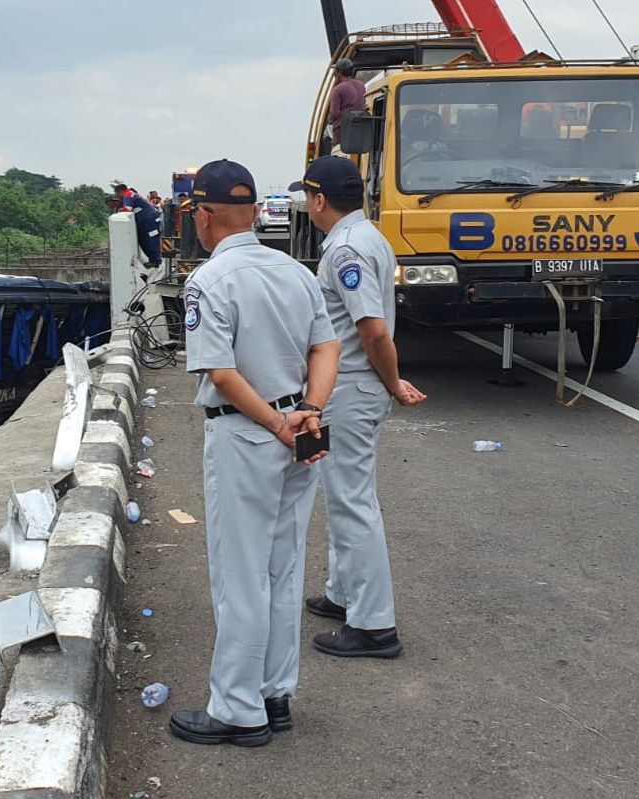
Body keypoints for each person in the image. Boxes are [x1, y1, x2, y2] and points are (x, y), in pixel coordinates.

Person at [170, 159, 339, 747]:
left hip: (249, 433)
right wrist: (308, 411)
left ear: (206, 215)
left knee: (240, 573)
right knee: (283, 568)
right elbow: (326, 347)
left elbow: (221, 372)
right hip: (302, 426)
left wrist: (274, 423)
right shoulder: (295, 271)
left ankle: (237, 709)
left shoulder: (209, 282)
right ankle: (274, 693)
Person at [287, 156, 427, 659]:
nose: (307, 205)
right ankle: (344, 594)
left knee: (351, 502)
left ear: (319, 199)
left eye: (307, 197)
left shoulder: (344, 249)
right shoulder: (368, 237)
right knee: (344, 494)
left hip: (351, 386)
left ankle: (373, 625)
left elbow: (372, 329)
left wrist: (391, 381)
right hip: (356, 385)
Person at [114, 183, 163, 270]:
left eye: (116, 194)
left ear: (120, 191)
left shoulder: (128, 195)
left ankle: (156, 261)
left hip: (149, 220)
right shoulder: (130, 194)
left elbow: (127, 209)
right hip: (145, 220)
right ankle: (153, 260)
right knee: (143, 240)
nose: (116, 196)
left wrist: (119, 210)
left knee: (151, 239)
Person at [327, 58, 365, 155]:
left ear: (339, 72)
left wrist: (329, 119)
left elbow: (334, 113)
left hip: (342, 129)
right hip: (360, 126)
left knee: (336, 152)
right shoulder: (361, 86)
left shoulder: (337, 89)